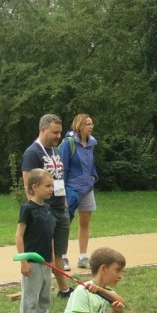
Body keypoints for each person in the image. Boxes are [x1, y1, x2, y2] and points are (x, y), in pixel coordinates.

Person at [22, 114, 72, 297]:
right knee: (48, 252)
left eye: (59, 132)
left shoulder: (56, 151)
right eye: (55, 132)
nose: (58, 136)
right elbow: (28, 184)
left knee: (59, 252)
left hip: (60, 207)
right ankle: (52, 288)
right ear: (43, 130)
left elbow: (59, 179)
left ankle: (63, 289)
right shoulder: (33, 153)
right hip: (45, 209)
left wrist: (64, 202)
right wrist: (35, 210)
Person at [16, 168, 56, 313]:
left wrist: (53, 260)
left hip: (46, 262)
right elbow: (19, 236)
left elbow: (50, 236)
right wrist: (23, 261)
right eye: (48, 186)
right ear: (35, 187)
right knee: (30, 300)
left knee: (44, 298)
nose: (51, 189)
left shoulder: (48, 208)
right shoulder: (27, 208)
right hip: (32, 262)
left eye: (52, 186)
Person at [59, 114, 98, 269]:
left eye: (92, 123)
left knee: (85, 222)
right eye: (88, 124)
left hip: (87, 189)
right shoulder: (68, 144)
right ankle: (62, 257)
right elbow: (62, 169)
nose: (91, 126)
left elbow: (91, 163)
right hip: (71, 190)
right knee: (65, 223)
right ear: (80, 126)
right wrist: (62, 194)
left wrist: (94, 176)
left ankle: (82, 257)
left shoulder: (91, 143)